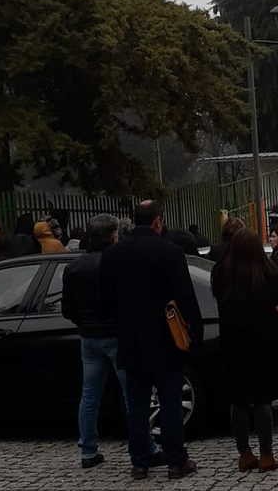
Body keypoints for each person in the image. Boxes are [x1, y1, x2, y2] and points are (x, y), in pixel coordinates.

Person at [99, 200, 202, 480]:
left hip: (130, 338)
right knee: (169, 401)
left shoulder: (113, 254)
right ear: (157, 221)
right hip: (166, 339)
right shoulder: (170, 252)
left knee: (137, 404)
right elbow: (186, 296)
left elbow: (105, 299)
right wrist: (194, 332)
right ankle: (175, 460)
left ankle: (140, 461)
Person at [62, 214, 160, 470]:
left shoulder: (74, 268)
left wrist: (84, 323)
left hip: (89, 337)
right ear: (112, 235)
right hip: (117, 335)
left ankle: (88, 450)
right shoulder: (117, 262)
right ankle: (144, 446)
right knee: (132, 396)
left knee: (89, 395)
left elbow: (68, 308)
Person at [211, 229, 278, 473]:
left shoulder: (221, 272)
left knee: (238, 399)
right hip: (264, 340)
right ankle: (266, 454)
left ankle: (244, 453)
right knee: (262, 398)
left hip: (233, 339)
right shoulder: (267, 271)